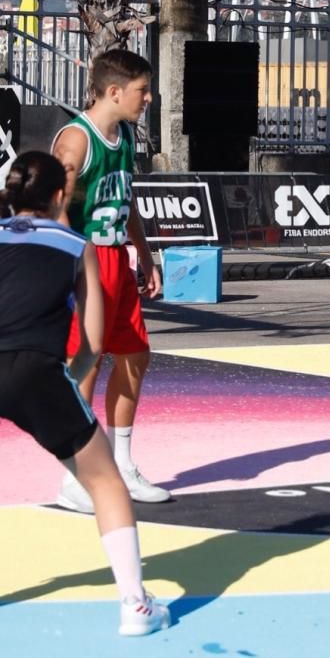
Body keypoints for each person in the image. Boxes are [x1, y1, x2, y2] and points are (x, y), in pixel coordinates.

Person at [0, 151, 170, 635]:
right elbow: (94, 342)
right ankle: (135, 607)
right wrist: (68, 383)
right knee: (106, 482)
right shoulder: (77, 246)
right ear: (60, 196)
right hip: (36, 371)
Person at [51, 49, 169, 513]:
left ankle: (120, 464)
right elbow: (55, 207)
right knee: (87, 363)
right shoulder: (76, 141)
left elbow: (126, 200)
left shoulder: (123, 136)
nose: (149, 98)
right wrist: (69, 265)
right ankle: (75, 476)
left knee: (136, 355)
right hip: (84, 258)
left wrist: (145, 255)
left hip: (116, 256)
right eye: (143, 90)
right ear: (115, 91)